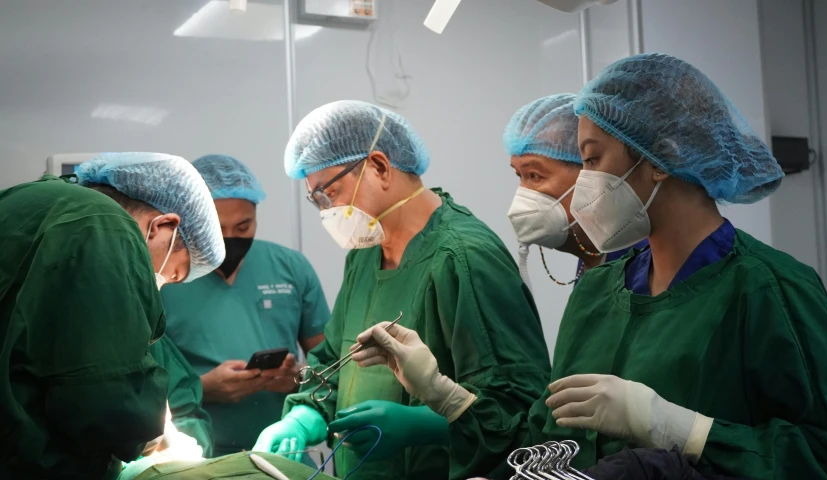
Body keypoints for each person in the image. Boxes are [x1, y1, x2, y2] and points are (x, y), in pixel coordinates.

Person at [351, 53, 827, 479]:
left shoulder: (768, 289)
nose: (585, 181)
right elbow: (544, 441)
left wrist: (683, 430)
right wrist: (442, 392)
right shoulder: (599, 291)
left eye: (590, 160)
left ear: (662, 156)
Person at [252, 100, 551, 480]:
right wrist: (304, 414)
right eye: (317, 200)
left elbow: (518, 406)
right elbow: (334, 356)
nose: (327, 210)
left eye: (331, 191)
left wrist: (423, 424)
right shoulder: (366, 253)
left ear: (379, 166)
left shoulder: (464, 257)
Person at [0, 152, 225, 479]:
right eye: (172, 275)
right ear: (162, 227)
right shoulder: (104, 223)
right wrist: (154, 434)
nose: (158, 285)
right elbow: (106, 394)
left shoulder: (28, 201)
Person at [161, 154, 330, 457]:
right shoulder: (164, 277)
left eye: (243, 227)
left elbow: (331, 365)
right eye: (216, 227)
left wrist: (297, 378)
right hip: (194, 459)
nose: (230, 239)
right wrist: (203, 388)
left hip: (282, 455)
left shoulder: (290, 267)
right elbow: (133, 387)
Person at [504, 93, 647, 288]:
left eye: (534, 175)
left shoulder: (639, 262)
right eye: (519, 176)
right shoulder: (591, 258)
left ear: (588, 170)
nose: (524, 193)